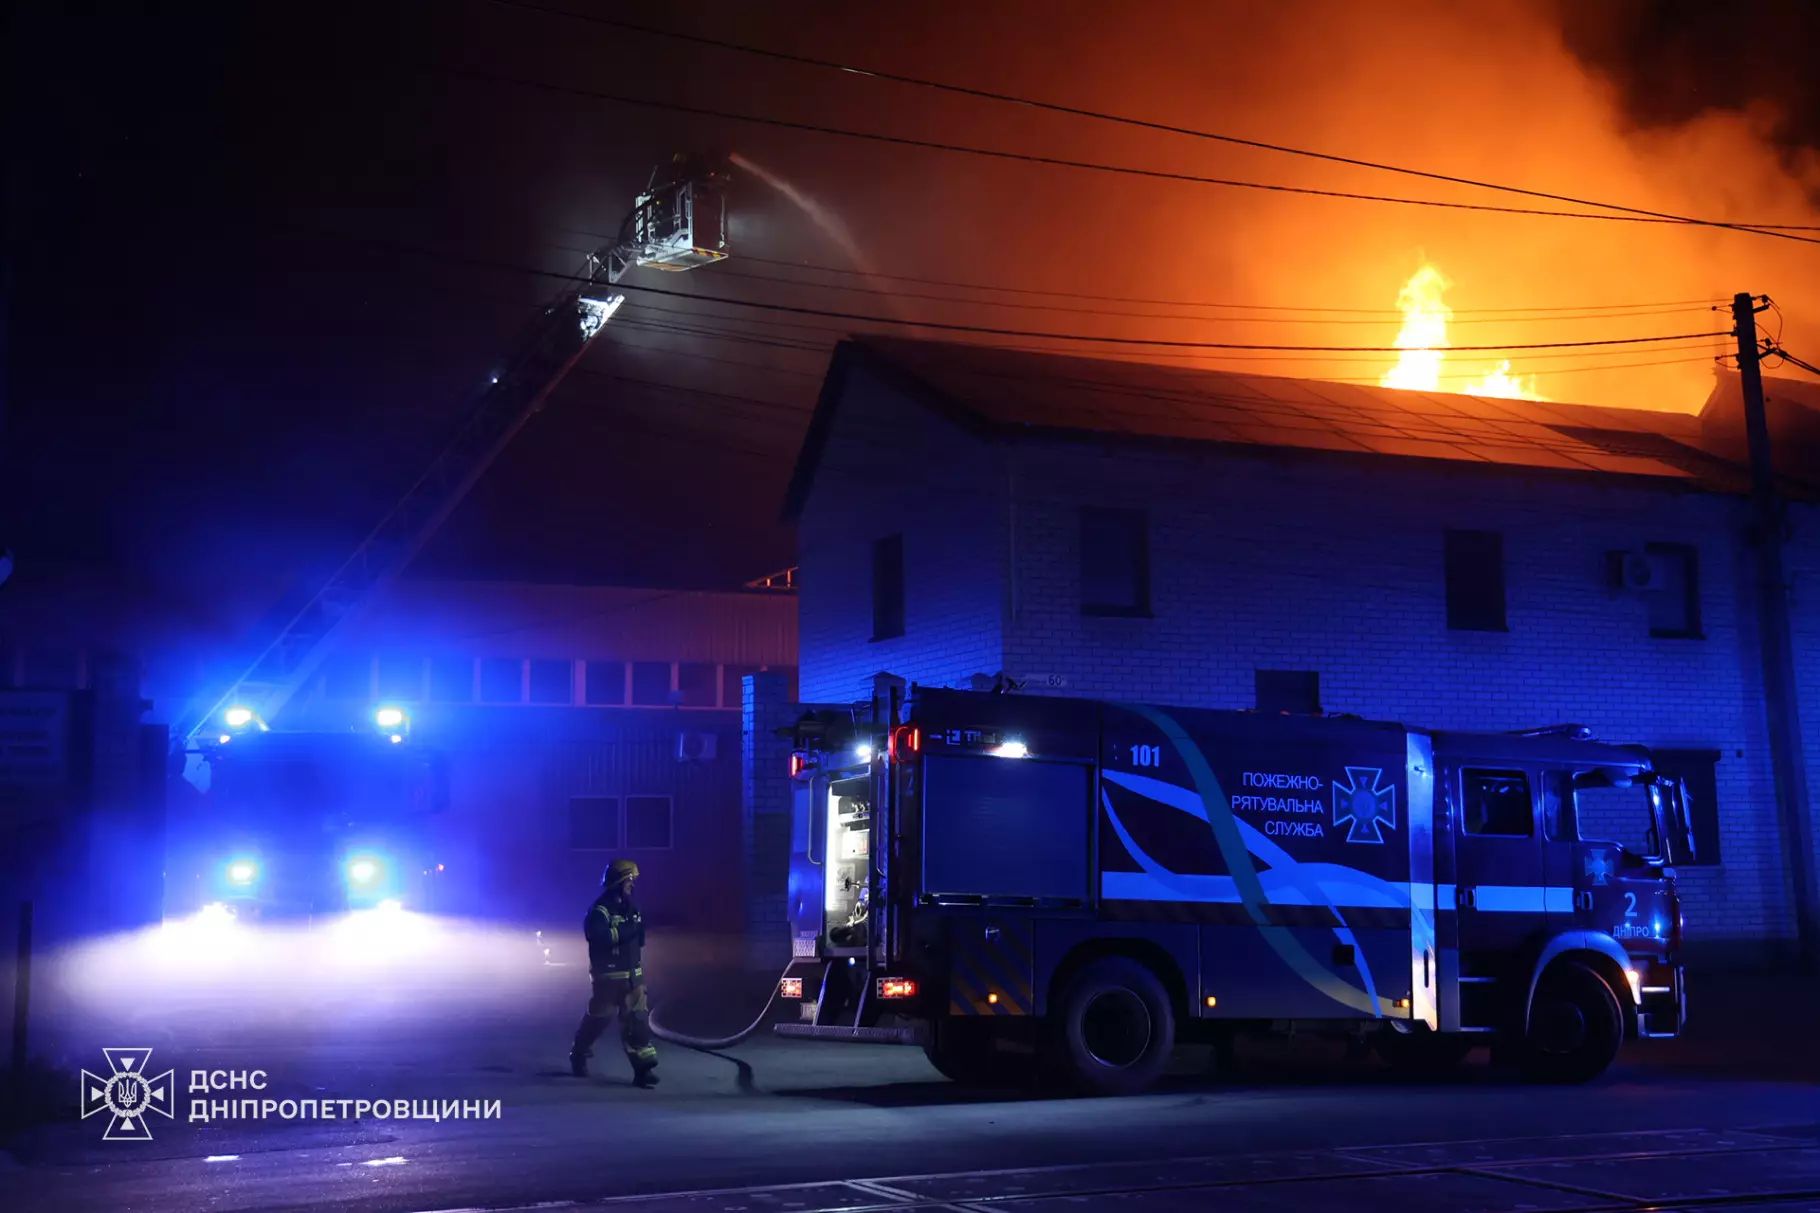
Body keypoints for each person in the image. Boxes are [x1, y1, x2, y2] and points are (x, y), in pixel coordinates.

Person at [569, 858, 659, 1087]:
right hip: (607, 979)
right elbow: (601, 937)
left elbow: (639, 940)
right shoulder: (599, 911)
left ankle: (643, 1071)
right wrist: (630, 929)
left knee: (636, 1022)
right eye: (629, 880)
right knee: (598, 1020)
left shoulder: (633, 908)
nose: (632, 884)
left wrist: (633, 931)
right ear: (618, 881)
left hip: (632, 977)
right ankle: (579, 1053)